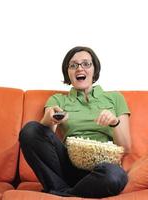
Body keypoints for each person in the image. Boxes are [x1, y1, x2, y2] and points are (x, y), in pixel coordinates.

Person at [19, 46, 131, 198]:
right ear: (68, 73)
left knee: (115, 175)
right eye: (73, 65)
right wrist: (51, 118)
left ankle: (63, 193)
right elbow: (44, 137)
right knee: (30, 129)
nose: (80, 68)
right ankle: (71, 192)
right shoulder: (58, 99)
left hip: (102, 168)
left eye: (86, 64)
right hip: (68, 165)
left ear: (94, 69)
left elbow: (126, 148)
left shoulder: (115, 98)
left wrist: (114, 122)